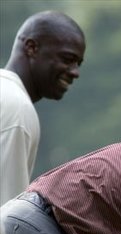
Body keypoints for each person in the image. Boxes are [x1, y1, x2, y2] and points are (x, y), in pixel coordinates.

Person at [0, 10, 86, 206]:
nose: (75, 73)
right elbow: (5, 214)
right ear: (31, 47)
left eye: (78, 63)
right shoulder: (16, 108)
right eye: (67, 59)